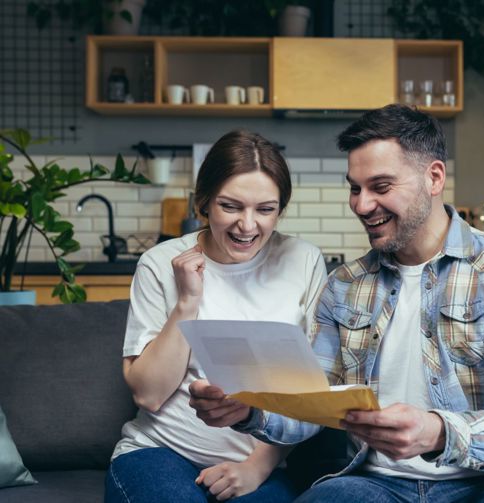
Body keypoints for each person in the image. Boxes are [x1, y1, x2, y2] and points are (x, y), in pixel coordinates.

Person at [189, 105, 484, 502]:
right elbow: (311, 406)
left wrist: (438, 432)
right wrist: (249, 412)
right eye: (355, 188)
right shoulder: (344, 285)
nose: (362, 205)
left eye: (380, 187)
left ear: (434, 178)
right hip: (375, 482)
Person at [105, 130, 327, 503]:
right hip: (160, 452)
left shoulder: (303, 261)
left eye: (265, 209)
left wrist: (256, 468)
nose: (247, 225)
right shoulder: (159, 262)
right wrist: (187, 301)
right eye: (231, 206)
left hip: (257, 466)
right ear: (204, 203)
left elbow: (311, 394)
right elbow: (149, 394)